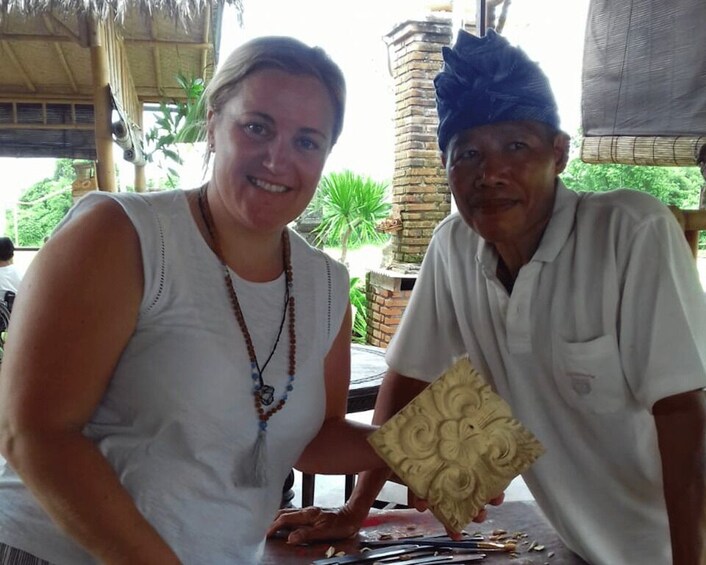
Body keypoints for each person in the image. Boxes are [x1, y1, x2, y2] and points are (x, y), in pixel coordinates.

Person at [269, 29, 706, 565]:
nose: (491, 173)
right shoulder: (453, 245)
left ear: (560, 154)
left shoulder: (631, 231)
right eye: (468, 152)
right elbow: (412, 379)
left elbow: (687, 414)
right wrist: (355, 511)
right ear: (448, 169)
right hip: (582, 544)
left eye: (516, 147)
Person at [0, 36, 384, 564]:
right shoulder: (124, 235)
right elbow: (33, 433)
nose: (277, 159)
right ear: (213, 125)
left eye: (307, 141)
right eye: (257, 127)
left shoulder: (327, 284)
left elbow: (311, 435)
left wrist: (427, 451)